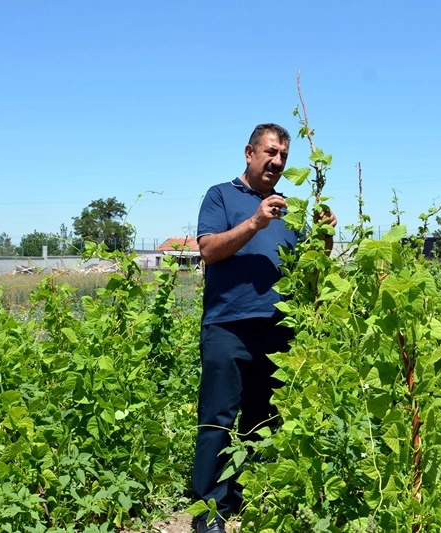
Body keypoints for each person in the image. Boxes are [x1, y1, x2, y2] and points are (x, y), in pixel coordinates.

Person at [193, 123, 335, 533]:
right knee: (218, 417)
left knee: (263, 419)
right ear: (249, 152)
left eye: (283, 157)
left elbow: (310, 265)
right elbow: (208, 250)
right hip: (227, 326)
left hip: (277, 328)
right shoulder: (220, 196)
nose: (276, 162)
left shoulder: (286, 208)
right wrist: (255, 222)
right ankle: (209, 511)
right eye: (270, 152)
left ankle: (247, 496)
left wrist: (324, 237)